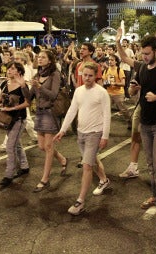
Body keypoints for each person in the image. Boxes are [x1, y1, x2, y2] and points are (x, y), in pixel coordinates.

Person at [116, 26, 156, 223]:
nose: (143, 56)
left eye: (146, 53)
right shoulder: (141, 68)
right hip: (145, 123)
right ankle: (155, 195)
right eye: (141, 53)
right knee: (151, 165)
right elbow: (126, 60)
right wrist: (118, 43)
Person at [54, 62, 111, 215]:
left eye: (90, 75)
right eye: (84, 75)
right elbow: (72, 110)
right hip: (81, 133)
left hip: (95, 133)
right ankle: (104, 180)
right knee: (91, 161)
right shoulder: (78, 91)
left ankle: (80, 202)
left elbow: (107, 115)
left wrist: (105, 136)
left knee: (86, 166)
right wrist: (63, 129)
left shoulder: (102, 92)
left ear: (96, 75)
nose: (87, 78)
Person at [21, 50, 68, 192]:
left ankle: (45, 179)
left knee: (48, 147)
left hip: (51, 112)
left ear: (50, 60)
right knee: (42, 146)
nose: (39, 59)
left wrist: (40, 87)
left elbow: (53, 95)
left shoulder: (55, 74)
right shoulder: (37, 75)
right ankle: (62, 160)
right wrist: (23, 86)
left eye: (43, 57)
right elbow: (29, 98)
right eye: (38, 57)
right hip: (40, 114)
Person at [0, 62, 30, 187]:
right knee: (16, 144)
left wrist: (11, 109)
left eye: (12, 68)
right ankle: (24, 166)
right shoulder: (5, 83)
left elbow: (28, 103)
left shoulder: (23, 85)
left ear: (19, 72)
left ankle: (9, 174)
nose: (9, 70)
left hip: (19, 119)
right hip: (7, 119)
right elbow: (0, 97)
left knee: (10, 147)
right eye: (8, 68)